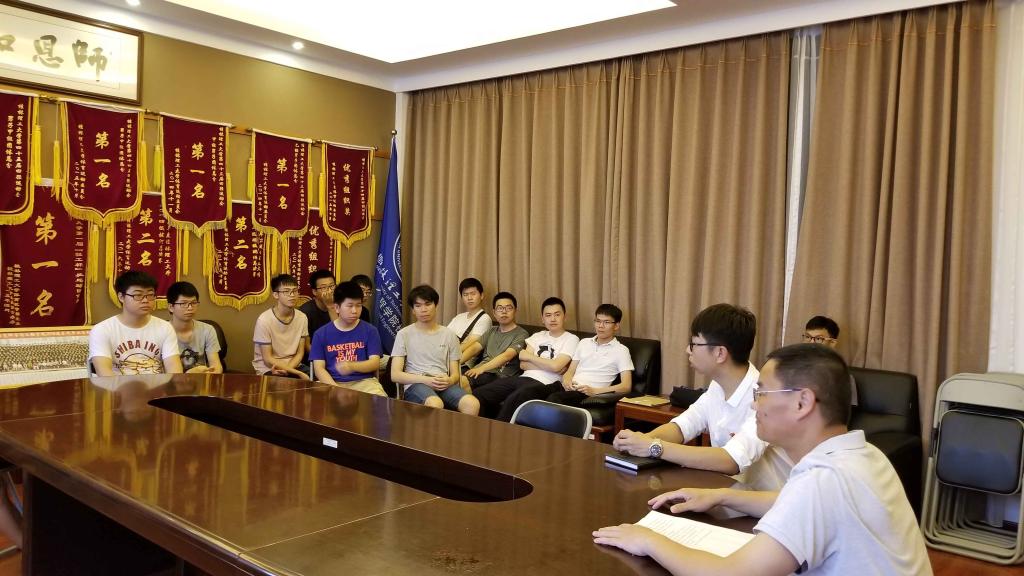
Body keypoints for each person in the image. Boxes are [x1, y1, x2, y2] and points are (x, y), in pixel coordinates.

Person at [594, 344, 931, 576]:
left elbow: (729, 574)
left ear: (802, 403)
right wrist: (722, 496)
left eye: (762, 393)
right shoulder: (863, 455)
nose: (755, 405)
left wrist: (648, 539)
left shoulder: (823, 481)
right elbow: (792, 502)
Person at [613, 304, 791, 490]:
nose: (688, 350)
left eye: (694, 344)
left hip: (763, 500)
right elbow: (684, 426)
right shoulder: (718, 386)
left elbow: (730, 460)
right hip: (725, 492)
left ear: (720, 353)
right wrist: (638, 441)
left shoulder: (763, 398)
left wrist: (654, 447)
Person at [476, 297, 580, 419]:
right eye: (548, 315)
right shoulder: (538, 336)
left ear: (564, 317)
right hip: (523, 378)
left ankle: (499, 430)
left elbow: (556, 366)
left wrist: (531, 357)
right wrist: (551, 366)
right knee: (480, 393)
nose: (552, 319)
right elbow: (523, 364)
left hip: (546, 384)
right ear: (542, 319)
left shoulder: (571, 339)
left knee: (514, 399)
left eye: (557, 315)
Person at [391, 285, 480, 415]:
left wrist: (450, 380)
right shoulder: (404, 334)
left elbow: (455, 374)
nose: (423, 309)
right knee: (435, 403)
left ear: (436, 305)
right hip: (416, 384)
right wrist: (427, 380)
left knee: (472, 404)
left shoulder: (449, 335)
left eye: (428, 304)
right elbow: (395, 375)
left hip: (443, 383)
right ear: (413, 310)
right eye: (418, 306)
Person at [89, 270, 182, 376]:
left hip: (157, 386)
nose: (145, 300)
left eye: (150, 295)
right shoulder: (102, 330)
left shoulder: (165, 327)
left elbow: (174, 370)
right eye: (138, 295)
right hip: (117, 386)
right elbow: (104, 373)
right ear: (121, 297)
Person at [543, 304, 633, 408]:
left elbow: (626, 386)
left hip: (585, 393)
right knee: (532, 392)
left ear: (616, 326)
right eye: (598, 321)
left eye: (606, 322)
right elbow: (570, 371)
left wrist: (595, 391)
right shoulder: (584, 342)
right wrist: (566, 381)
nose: (601, 326)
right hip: (569, 387)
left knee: (554, 399)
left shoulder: (621, 350)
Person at [310, 281, 387, 396]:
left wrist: (351, 366)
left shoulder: (370, 331)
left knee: (380, 401)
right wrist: (336, 388)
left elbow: (374, 363)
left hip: (364, 382)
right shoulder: (321, 334)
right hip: (331, 383)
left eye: (358, 305)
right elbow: (319, 369)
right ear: (337, 307)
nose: (355, 311)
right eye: (350, 306)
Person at [460, 291, 529, 392]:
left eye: (508, 308)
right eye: (500, 308)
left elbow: (506, 356)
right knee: (448, 377)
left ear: (515, 311)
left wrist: (481, 368)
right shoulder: (492, 330)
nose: (504, 312)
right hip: (480, 371)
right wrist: (456, 363)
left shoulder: (522, 334)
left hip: (498, 375)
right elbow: (474, 348)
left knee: (460, 382)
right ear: (494, 312)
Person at [252, 274, 310, 379]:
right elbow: (268, 359)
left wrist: (288, 370)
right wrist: (297, 373)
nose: (292, 295)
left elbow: (300, 353)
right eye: (286, 291)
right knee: (281, 385)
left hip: (294, 365)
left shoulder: (302, 317)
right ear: (276, 295)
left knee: (318, 380)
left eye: (295, 291)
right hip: (269, 368)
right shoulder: (264, 320)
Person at [165, 281, 222, 374]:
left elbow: (216, 365)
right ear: (171, 307)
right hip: (172, 381)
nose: (190, 308)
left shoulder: (207, 330)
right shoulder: (162, 331)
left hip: (202, 379)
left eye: (193, 303)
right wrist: (189, 375)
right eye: (183, 303)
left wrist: (213, 373)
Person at [803, 315, 858, 405]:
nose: (811, 343)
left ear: (832, 343)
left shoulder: (843, 377)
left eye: (818, 339)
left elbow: (846, 412)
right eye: (808, 337)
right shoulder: (791, 369)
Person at [446, 277, 493, 366]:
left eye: (473, 294)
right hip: (446, 357)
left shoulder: (484, 318)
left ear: (481, 295)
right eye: (465, 294)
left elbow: (471, 344)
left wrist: (446, 357)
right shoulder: (459, 317)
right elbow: (444, 337)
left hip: (462, 363)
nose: (469, 298)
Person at [299, 269, 337, 348]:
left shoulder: (342, 306)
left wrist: (331, 307)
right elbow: (306, 346)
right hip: (314, 352)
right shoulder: (305, 311)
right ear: (314, 292)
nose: (329, 291)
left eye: (332, 286)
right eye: (324, 288)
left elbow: (341, 334)